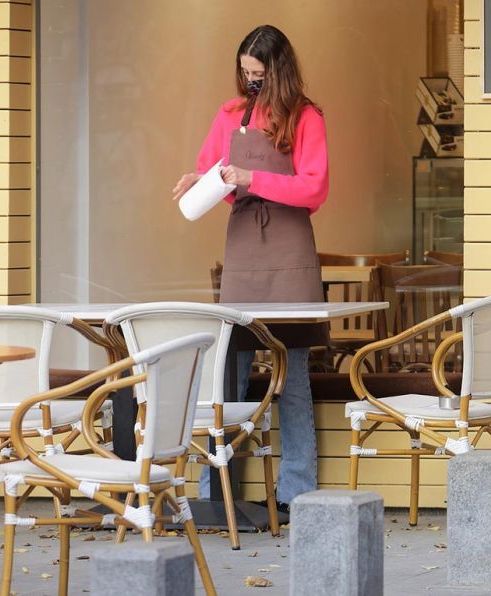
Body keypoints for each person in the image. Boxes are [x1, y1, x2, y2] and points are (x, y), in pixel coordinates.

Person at [172, 24, 328, 509]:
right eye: (245, 73)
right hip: (243, 247)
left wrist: (252, 176)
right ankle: (213, 492)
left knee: (294, 375)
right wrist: (199, 180)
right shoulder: (230, 114)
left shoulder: (307, 118)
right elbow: (214, 169)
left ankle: (296, 491)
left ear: (278, 71)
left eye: (258, 74)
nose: (250, 83)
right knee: (228, 371)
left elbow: (314, 189)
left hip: (290, 250)